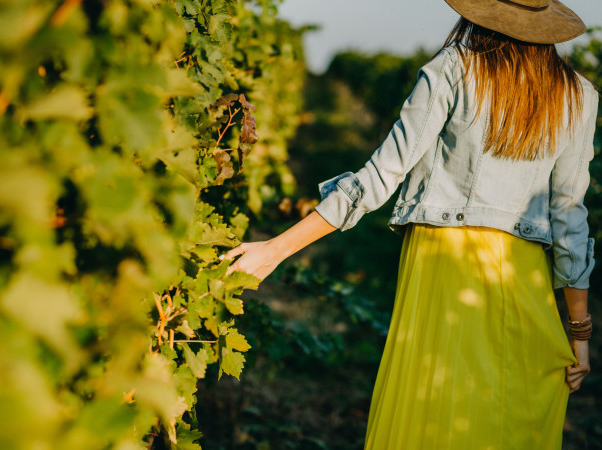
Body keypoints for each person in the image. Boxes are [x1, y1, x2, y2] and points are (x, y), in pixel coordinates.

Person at [223, 0, 597, 448]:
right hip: (524, 279)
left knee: (433, 415)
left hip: (444, 264)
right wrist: (579, 333)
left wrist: (275, 249)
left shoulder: (454, 68)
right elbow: (571, 220)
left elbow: (381, 176)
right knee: (503, 420)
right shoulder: (579, 95)